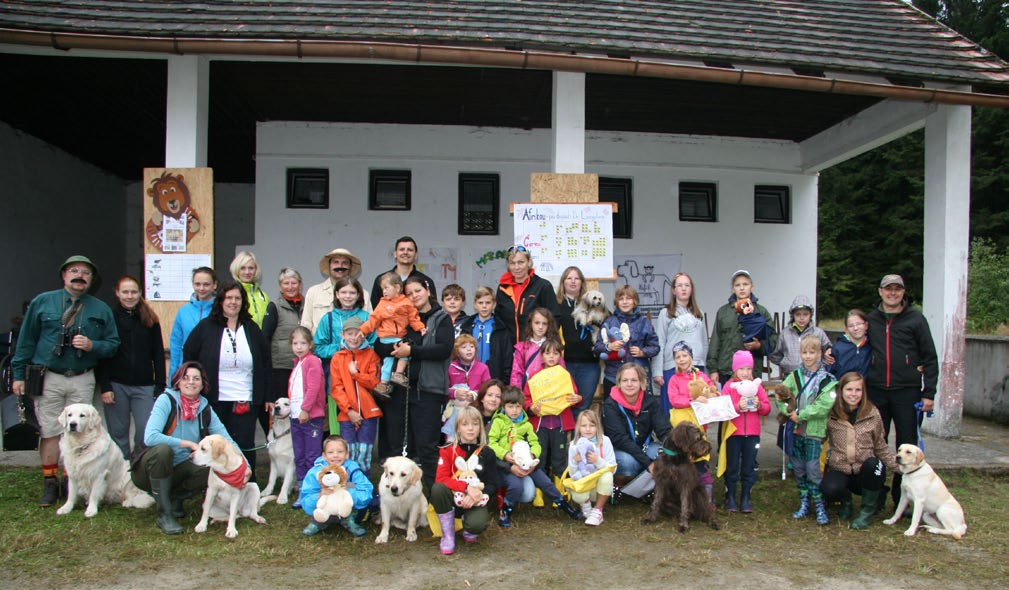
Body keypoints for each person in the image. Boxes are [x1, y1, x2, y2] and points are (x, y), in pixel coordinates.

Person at [11, 255, 121, 506]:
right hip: (50, 377)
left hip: (82, 377)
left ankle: (71, 478)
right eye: (74, 271)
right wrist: (19, 374)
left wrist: (93, 345)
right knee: (51, 430)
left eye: (86, 273)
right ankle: (50, 482)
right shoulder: (43, 303)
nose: (79, 276)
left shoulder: (100, 309)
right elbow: (26, 339)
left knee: (82, 430)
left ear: (92, 280)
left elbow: (113, 345)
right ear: (64, 275)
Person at [133, 361, 244, 535]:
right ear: (178, 381)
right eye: (186, 378)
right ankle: (165, 514)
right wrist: (187, 444)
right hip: (149, 469)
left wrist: (244, 466)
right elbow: (150, 437)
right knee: (163, 450)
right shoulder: (166, 400)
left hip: (181, 467)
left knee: (212, 469)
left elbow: (227, 441)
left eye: (196, 378)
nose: (191, 382)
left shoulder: (205, 407)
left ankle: (174, 498)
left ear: (202, 384)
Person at [183, 280, 272, 479]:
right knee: (216, 445)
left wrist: (267, 395)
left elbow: (266, 362)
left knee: (244, 442)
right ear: (221, 301)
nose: (233, 302)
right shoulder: (206, 326)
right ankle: (219, 485)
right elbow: (189, 352)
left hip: (245, 396)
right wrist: (193, 383)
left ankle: (248, 483)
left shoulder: (251, 328)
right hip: (214, 397)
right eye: (229, 298)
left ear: (243, 301)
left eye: (237, 298)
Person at [866, 274, 939, 508]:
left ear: (903, 292)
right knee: (877, 443)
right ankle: (876, 496)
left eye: (897, 289)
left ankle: (902, 498)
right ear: (880, 291)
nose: (893, 293)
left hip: (907, 392)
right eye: (888, 289)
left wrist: (929, 393)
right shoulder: (871, 320)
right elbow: (854, 342)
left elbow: (930, 357)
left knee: (907, 445)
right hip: (876, 391)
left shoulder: (916, 320)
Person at [385, 276, 453, 489]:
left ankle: (434, 499)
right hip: (402, 389)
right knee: (400, 445)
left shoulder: (441, 318)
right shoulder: (403, 317)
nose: (414, 296)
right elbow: (386, 343)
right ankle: (399, 497)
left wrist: (412, 351)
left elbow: (443, 349)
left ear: (427, 290)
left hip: (429, 391)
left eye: (418, 291)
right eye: (409, 293)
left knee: (427, 447)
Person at [488, 385, 581, 528]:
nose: (514, 411)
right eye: (510, 407)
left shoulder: (526, 424)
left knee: (546, 482)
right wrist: (505, 455)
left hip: (527, 462)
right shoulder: (498, 422)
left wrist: (533, 455)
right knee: (516, 486)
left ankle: (564, 504)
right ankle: (506, 510)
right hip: (508, 465)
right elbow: (491, 443)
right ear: (504, 407)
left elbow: (535, 442)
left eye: (518, 407)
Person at [97, 275, 166, 459]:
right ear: (117, 293)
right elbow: (102, 354)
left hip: (144, 385)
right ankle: (121, 471)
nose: (130, 296)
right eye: (125, 292)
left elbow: (158, 353)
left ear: (140, 293)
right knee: (118, 432)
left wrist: (160, 384)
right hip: (116, 384)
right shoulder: (109, 318)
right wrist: (105, 386)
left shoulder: (150, 319)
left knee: (146, 430)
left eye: (134, 292)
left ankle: (139, 469)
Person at [821, 371, 899, 530]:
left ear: (863, 393)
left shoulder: (872, 413)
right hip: (840, 467)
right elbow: (819, 437)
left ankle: (866, 511)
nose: (853, 394)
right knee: (829, 488)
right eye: (849, 389)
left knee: (874, 465)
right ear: (841, 391)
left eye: (858, 390)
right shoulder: (831, 413)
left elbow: (880, 445)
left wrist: (899, 467)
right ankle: (846, 502)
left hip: (865, 470)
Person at [777, 334, 838, 525]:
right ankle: (804, 501)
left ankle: (819, 504)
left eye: (812, 352)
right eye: (805, 352)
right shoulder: (793, 377)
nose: (808, 356)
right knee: (799, 468)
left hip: (814, 432)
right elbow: (780, 395)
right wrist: (787, 411)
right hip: (795, 432)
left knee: (813, 469)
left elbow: (824, 406)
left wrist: (800, 415)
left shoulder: (828, 380)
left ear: (820, 353)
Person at [431, 406, 498, 554]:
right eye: (465, 424)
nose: (470, 429)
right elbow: (441, 478)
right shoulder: (448, 450)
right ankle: (448, 536)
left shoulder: (487, 453)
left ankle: (470, 528)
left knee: (477, 525)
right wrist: (467, 488)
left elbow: (493, 483)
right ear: (457, 427)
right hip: (453, 498)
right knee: (438, 489)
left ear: (481, 427)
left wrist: (477, 496)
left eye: (475, 424)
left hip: (476, 499)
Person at [717, 350, 770, 513]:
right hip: (733, 433)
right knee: (732, 466)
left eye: (748, 369)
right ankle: (730, 496)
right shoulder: (729, 386)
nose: (745, 373)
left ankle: (746, 497)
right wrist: (737, 407)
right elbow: (723, 409)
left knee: (749, 466)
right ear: (735, 370)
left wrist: (760, 406)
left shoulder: (757, 386)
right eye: (741, 369)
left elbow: (767, 408)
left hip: (752, 434)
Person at [665, 341, 717, 505]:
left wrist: (714, 395)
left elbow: (712, 389)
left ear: (691, 357)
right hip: (682, 427)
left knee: (701, 464)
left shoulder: (702, 377)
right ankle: (683, 499)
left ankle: (706, 500)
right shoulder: (673, 379)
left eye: (684, 355)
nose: (681, 359)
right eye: (677, 357)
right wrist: (692, 400)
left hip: (698, 426)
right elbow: (674, 400)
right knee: (683, 464)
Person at [601, 363, 671, 483]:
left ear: (642, 382)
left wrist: (675, 448)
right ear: (618, 383)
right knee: (629, 462)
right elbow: (620, 439)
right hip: (622, 449)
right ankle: (628, 483)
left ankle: (648, 485)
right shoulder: (610, 405)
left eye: (634, 380)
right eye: (625, 380)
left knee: (663, 454)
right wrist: (648, 463)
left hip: (645, 446)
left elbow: (663, 429)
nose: (629, 384)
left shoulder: (650, 401)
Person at [495, 245, 560, 372]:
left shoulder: (543, 286)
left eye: (521, 262)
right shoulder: (502, 288)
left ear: (529, 262)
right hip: (510, 350)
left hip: (537, 350)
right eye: (512, 263)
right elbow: (498, 318)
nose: (517, 267)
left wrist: (545, 345)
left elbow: (555, 318)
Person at [329, 317, 382, 473]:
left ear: (364, 334)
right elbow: (336, 388)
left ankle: (364, 484)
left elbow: (375, 382)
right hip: (347, 415)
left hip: (369, 413)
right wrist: (350, 411)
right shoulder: (337, 358)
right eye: (350, 334)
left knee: (364, 452)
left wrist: (356, 374)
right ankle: (349, 484)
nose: (354, 338)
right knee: (348, 452)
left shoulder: (372, 355)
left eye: (358, 334)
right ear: (343, 335)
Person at [706, 269, 776, 387]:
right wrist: (713, 369)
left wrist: (759, 346)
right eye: (738, 285)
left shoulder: (761, 312)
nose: (742, 288)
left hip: (751, 372)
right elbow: (715, 341)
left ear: (752, 287)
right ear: (733, 289)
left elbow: (773, 340)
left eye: (745, 284)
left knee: (748, 405)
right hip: (726, 371)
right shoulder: (723, 312)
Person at [359, 272, 426, 395]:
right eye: (382, 289)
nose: (384, 291)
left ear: (397, 288)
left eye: (386, 288)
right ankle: (398, 374)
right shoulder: (382, 304)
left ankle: (383, 384)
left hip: (398, 335)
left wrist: (420, 327)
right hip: (387, 337)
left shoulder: (406, 302)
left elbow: (413, 318)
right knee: (405, 351)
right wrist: (363, 330)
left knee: (388, 361)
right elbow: (373, 319)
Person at [522, 338, 581, 479]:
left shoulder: (565, 375)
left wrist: (578, 399)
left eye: (555, 353)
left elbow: (573, 394)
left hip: (559, 424)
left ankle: (559, 489)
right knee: (540, 457)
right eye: (548, 353)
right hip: (540, 424)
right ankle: (539, 490)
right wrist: (530, 407)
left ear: (560, 356)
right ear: (542, 356)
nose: (552, 356)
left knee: (559, 457)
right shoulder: (535, 377)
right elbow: (526, 398)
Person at [652, 272, 708, 414]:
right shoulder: (665, 313)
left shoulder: (698, 313)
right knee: (674, 409)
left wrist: (704, 366)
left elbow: (703, 342)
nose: (683, 289)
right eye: (680, 285)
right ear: (673, 290)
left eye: (687, 285)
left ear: (691, 289)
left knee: (697, 409)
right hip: (673, 367)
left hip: (696, 367)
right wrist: (658, 371)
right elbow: (660, 343)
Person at [299, 435, 374, 537]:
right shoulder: (315, 473)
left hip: (346, 509)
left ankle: (348, 520)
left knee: (352, 485)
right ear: (324, 455)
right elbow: (306, 500)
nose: (335, 455)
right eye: (330, 452)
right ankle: (317, 522)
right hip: (324, 509)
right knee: (320, 507)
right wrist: (320, 495)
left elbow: (366, 493)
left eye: (340, 452)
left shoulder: (353, 469)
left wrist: (347, 491)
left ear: (347, 454)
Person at [593, 284, 659, 394]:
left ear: (635, 301)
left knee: (640, 409)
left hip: (638, 375)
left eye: (628, 298)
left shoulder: (643, 322)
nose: (625, 302)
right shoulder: (609, 322)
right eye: (621, 299)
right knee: (613, 409)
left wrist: (642, 352)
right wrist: (609, 346)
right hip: (613, 376)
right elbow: (597, 348)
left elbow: (655, 347)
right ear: (616, 302)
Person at [555, 266, 602, 418]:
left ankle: (579, 441)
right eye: (569, 278)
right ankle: (566, 441)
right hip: (564, 364)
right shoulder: (556, 305)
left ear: (582, 282)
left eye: (576, 278)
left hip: (590, 364)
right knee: (564, 406)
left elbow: (607, 322)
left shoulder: (593, 302)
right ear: (563, 282)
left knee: (583, 406)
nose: (573, 281)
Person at [287, 326, 326, 495]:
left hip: (310, 417)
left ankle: (314, 487)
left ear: (310, 345)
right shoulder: (297, 363)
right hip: (296, 417)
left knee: (312, 455)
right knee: (299, 454)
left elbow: (313, 387)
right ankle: (303, 487)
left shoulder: (312, 361)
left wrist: (305, 409)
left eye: (303, 343)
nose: (299, 347)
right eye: (295, 343)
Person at [262, 267, 305, 417]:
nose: (290, 287)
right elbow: (265, 336)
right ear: (280, 286)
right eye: (286, 283)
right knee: (283, 407)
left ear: (300, 284)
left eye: (294, 283)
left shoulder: (307, 305)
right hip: (281, 366)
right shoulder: (274, 306)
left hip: (302, 365)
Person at [303, 248, 371, 332]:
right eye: (336, 262)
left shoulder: (363, 294)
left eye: (345, 263)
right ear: (329, 265)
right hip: (320, 344)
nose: (340, 266)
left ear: (350, 266)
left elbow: (370, 324)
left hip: (354, 343)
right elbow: (305, 326)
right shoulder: (313, 292)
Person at [567, 409, 616, 526]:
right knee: (578, 490)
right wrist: (575, 461)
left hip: (599, 487)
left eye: (592, 425)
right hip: (585, 486)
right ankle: (586, 506)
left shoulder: (605, 441)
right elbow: (572, 473)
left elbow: (613, 468)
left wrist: (597, 461)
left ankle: (598, 510)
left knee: (607, 475)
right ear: (578, 427)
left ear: (597, 426)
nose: (588, 429)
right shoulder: (574, 445)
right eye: (584, 426)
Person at [169, 267, 217, 378]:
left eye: (206, 284)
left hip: (212, 370)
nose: (201, 288)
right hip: (187, 370)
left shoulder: (219, 311)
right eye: (197, 284)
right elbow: (176, 344)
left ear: (214, 285)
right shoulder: (183, 311)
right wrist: (173, 375)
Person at [768, 294, 832, 376]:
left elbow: (828, 350)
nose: (801, 318)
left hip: (813, 375)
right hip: (790, 374)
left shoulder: (818, 333)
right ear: (793, 315)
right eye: (798, 314)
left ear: (810, 315)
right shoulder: (785, 333)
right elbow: (776, 354)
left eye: (805, 314)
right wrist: (785, 363)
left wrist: (821, 363)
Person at [444, 334, 491, 443]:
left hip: (475, 410)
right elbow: (443, 388)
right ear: (457, 351)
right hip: (453, 411)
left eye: (472, 346)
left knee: (473, 438)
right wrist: (455, 393)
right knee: (452, 440)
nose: (469, 349)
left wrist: (475, 395)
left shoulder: (483, 368)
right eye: (464, 347)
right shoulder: (450, 367)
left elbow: (488, 388)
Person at [369, 236, 436, 310]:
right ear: (395, 254)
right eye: (402, 249)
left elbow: (433, 310)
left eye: (410, 250)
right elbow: (374, 309)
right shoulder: (382, 280)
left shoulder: (426, 281)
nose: (405, 252)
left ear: (416, 255)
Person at [458, 286, 510, 381]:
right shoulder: (467, 326)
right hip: (470, 377)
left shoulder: (500, 328)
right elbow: (459, 354)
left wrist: (505, 382)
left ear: (494, 305)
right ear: (475, 305)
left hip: (493, 377)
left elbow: (507, 358)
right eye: (480, 303)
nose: (484, 306)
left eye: (488, 303)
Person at [509, 307, 562, 389]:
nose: (540, 327)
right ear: (531, 324)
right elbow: (516, 374)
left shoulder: (554, 347)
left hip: (549, 391)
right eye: (537, 323)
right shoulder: (522, 347)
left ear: (549, 325)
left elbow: (561, 371)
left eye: (544, 323)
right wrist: (517, 395)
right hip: (527, 392)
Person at [229, 251, 270, 328]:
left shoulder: (263, 296)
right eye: (242, 268)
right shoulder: (231, 294)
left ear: (256, 270)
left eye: (251, 268)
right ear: (237, 270)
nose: (247, 272)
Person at [828, 309, 872, 378]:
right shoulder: (838, 348)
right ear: (846, 330)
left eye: (859, 324)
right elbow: (829, 373)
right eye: (851, 326)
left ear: (866, 325)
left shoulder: (872, 345)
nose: (855, 328)